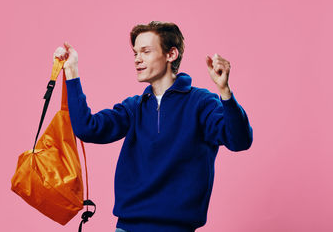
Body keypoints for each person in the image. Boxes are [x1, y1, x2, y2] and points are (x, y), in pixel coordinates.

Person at [53, 21, 253, 232]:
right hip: (127, 228)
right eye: (135, 53)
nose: (137, 59)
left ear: (171, 54)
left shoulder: (201, 103)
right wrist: (71, 72)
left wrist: (225, 92)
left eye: (146, 51)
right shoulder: (134, 107)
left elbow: (239, 140)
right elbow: (88, 128)